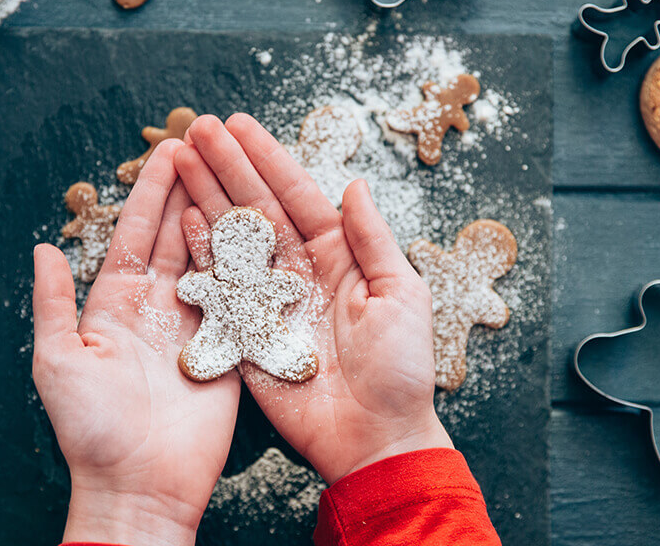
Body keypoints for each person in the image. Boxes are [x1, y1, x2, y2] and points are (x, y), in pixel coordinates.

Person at [31, 113, 502, 546]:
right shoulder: (219, 281)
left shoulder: (274, 280)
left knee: (276, 349)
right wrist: (396, 451)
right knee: (214, 348)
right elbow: (200, 290)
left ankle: (267, 355)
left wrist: (125, 510)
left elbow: (279, 287)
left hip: (268, 339)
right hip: (220, 334)